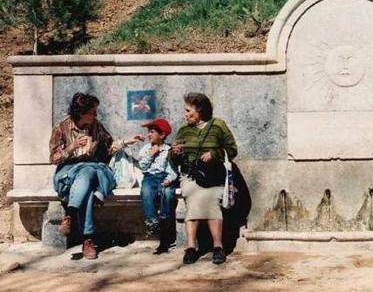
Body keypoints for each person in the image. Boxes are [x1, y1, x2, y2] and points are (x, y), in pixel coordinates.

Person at [170, 92, 237, 265]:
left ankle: (217, 246)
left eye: (188, 110)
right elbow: (173, 159)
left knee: (212, 198)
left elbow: (232, 149)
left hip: (213, 175)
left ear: (200, 110)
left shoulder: (218, 125)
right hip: (190, 176)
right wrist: (174, 153)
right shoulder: (184, 130)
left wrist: (214, 154)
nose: (185, 114)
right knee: (193, 195)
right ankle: (191, 247)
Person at [50, 93, 116, 260]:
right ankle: (88, 240)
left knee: (88, 173)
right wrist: (71, 147)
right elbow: (53, 158)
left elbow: (109, 147)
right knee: (88, 178)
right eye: (93, 112)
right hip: (67, 173)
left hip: (89, 170)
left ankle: (70, 215)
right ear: (81, 112)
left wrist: (123, 144)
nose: (95, 115)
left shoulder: (96, 126)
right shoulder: (61, 127)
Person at [113, 118, 178, 254]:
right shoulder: (145, 149)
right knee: (146, 192)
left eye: (152, 132)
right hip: (149, 178)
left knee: (167, 193)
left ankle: (164, 224)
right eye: (148, 131)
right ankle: (152, 221)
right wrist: (151, 154)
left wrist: (169, 179)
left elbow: (173, 168)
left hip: (164, 177)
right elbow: (143, 166)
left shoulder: (169, 150)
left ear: (162, 135)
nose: (148, 134)